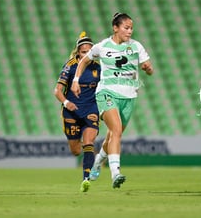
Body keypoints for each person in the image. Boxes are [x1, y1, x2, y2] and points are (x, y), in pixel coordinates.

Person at [71, 13, 154, 189]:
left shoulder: (136, 46)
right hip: (106, 93)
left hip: (129, 96)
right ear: (115, 28)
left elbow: (149, 68)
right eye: (126, 27)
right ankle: (115, 173)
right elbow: (83, 61)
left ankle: (98, 161)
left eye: (131, 28)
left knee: (113, 135)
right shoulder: (102, 46)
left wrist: (147, 68)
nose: (130, 31)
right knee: (116, 130)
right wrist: (76, 80)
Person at [54, 31, 100, 192]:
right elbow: (57, 91)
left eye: (89, 51)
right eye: (83, 52)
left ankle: (86, 178)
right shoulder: (70, 66)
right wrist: (67, 103)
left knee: (89, 142)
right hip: (71, 111)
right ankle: (93, 156)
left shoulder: (98, 67)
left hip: (91, 109)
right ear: (78, 52)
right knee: (75, 151)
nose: (87, 55)